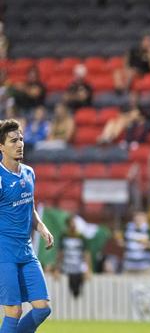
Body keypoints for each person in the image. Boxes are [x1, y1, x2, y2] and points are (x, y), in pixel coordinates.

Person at [0, 119, 54, 333]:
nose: (19, 143)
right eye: (13, 141)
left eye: (21, 139)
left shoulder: (29, 173)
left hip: (26, 249)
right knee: (13, 312)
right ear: (1, 146)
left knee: (43, 308)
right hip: (4, 251)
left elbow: (29, 207)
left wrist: (42, 227)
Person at [56, 216, 92, 298]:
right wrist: (57, 269)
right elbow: (60, 253)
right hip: (67, 268)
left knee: (78, 289)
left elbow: (86, 254)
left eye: (74, 223)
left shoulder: (81, 237)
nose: (73, 225)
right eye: (71, 223)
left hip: (79, 268)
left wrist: (88, 269)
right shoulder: (64, 236)